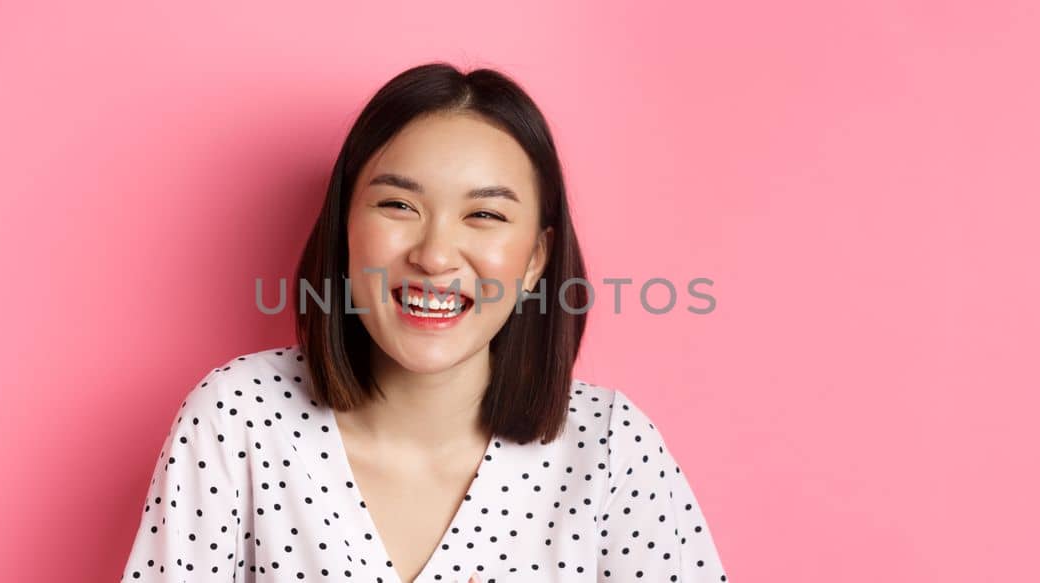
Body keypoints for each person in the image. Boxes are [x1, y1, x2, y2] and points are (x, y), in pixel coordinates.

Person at [119, 62, 729, 583]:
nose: (435, 256)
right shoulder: (239, 418)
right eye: (398, 205)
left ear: (536, 259)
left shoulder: (612, 449)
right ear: (345, 230)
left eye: (484, 214)